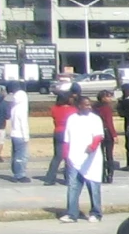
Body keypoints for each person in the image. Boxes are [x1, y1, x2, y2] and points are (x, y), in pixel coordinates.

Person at [60, 92, 105, 222]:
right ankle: (72, 214)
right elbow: (66, 140)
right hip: (74, 159)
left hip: (91, 160)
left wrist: (92, 147)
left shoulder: (95, 119)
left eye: (89, 105)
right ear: (79, 105)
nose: (89, 107)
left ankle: (96, 213)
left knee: (93, 186)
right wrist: (66, 156)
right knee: (73, 187)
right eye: (86, 105)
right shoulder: (72, 119)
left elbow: (98, 136)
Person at [44, 88, 72, 185]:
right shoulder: (72, 109)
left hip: (57, 132)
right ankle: (69, 178)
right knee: (68, 156)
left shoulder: (54, 109)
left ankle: (49, 178)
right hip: (67, 133)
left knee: (57, 156)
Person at [94, 90, 118, 183]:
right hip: (106, 132)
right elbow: (109, 123)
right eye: (108, 97)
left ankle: (102, 174)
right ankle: (110, 175)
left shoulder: (94, 107)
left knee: (100, 154)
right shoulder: (106, 108)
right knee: (109, 155)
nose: (110, 99)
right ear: (103, 98)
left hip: (98, 132)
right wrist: (114, 135)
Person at [7, 84, 28, 183]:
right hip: (20, 135)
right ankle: (20, 175)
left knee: (15, 155)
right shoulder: (21, 109)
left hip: (14, 134)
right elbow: (23, 124)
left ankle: (15, 172)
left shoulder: (14, 108)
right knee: (21, 156)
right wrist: (26, 136)